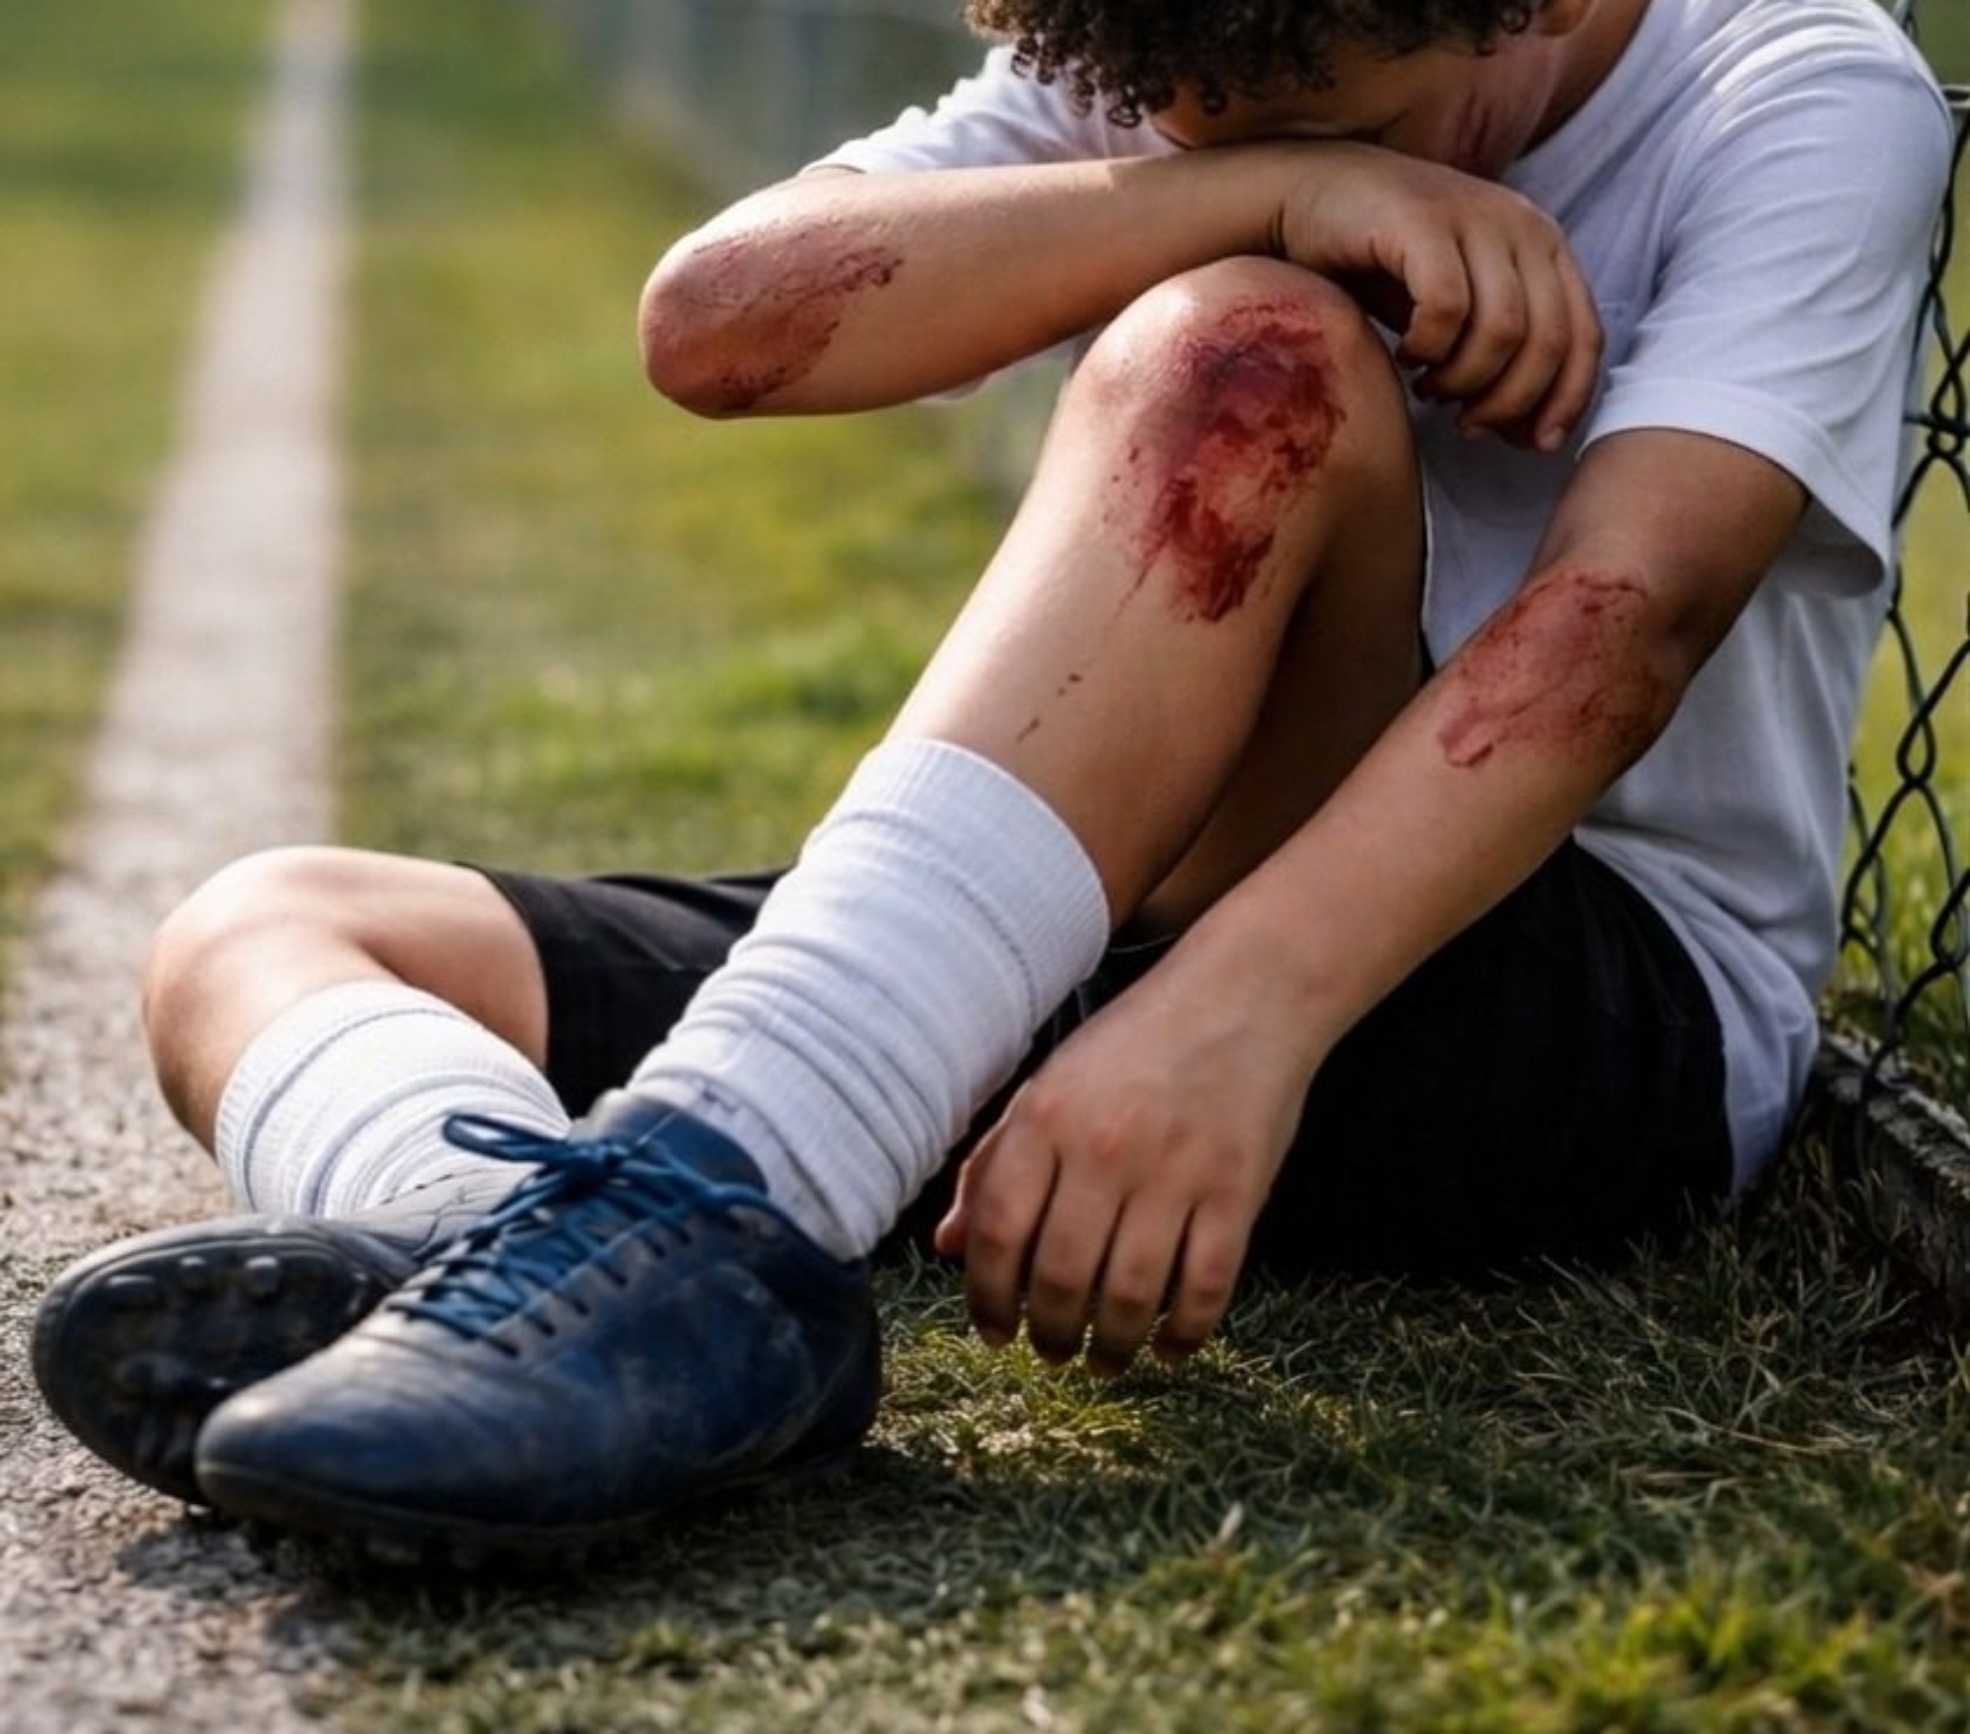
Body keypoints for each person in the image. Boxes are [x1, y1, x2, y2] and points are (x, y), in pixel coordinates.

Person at [32, 0, 1950, 1563]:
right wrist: (1284, 181)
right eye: (1184, 124)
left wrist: (1234, 1018)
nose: (1209, 143)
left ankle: (698, 1213)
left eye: (1335, 112)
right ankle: (520, 1265)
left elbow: (1624, 623)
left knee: (1248, 360)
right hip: (1138, 923)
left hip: (1564, 983)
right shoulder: (1183, 50)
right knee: (265, 927)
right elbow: (716, 324)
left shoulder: (1790, 83)